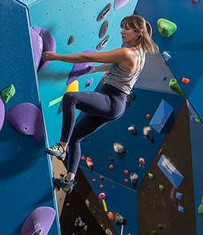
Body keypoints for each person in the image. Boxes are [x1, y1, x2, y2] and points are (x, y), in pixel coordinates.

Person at [41, 14, 157, 192]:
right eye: (123, 27)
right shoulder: (140, 54)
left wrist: (55, 56)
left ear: (138, 32)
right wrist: (93, 70)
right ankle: (69, 181)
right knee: (77, 137)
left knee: (71, 99)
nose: (122, 31)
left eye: (126, 28)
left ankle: (62, 147)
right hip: (116, 102)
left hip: (112, 99)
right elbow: (114, 65)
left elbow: (85, 57)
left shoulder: (127, 52)